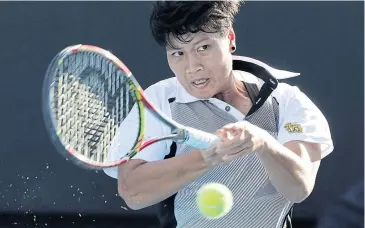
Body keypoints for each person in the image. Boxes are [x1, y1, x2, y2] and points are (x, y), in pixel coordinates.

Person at [103, 1, 334, 228]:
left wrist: (264, 143)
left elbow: (298, 187)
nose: (192, 67)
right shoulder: (158, 102)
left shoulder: (286, 101)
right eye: (177, 53)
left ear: (230, 39)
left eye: (203, 48)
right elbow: (132, 192)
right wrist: (206, 157)